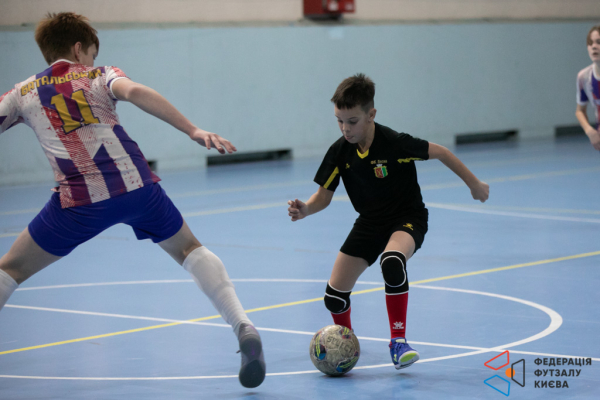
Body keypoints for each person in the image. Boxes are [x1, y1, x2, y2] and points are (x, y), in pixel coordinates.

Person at [0, 12, 265, 388]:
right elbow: (136, 92)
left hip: (80, 200)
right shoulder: (99, 74)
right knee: (189, 248)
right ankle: (243, 326)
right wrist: (192, 129)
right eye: (91, 54)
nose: (91, 60)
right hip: (137, 186)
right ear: (78, 49)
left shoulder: (23, 92)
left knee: (10, 268)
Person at [287, 74, 489, 370]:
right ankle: (347, 344)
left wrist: (474, 184)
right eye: (339, 121)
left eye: (352, 121)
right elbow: (323, 196)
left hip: (407, 218)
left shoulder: (395, 143)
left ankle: (398, 341)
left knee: (392, 261)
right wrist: (306, 209)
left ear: (371, 115)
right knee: (334, 297)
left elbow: (442, 153)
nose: (345, 128)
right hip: (369, 223)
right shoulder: (340, 151)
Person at [576, 24, 600, 151]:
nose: (594, 46)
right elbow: (580, 110)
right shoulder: (584, 77)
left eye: (598, 42)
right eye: (590, 43)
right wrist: (589, 131)